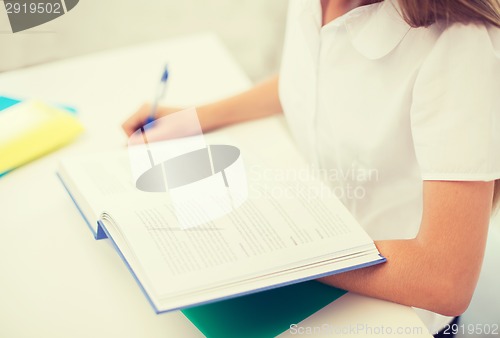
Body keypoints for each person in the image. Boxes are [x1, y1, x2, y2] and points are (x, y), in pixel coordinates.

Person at [123, 0, 500, 336]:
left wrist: (271, 250)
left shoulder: (461, 46)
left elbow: (445, 280)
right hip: (308, 256)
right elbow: (311, 79)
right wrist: (196, 117)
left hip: (391, 311)